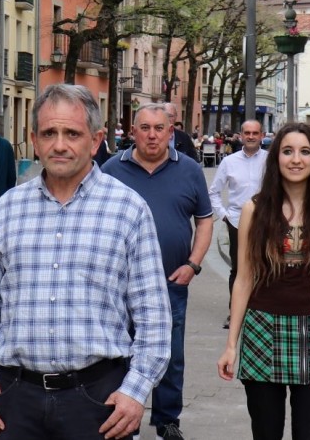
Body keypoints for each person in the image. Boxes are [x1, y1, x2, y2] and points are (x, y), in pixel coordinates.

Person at [0, 84, 172, 440]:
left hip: (98, 398)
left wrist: (135, 391)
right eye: (49, 133)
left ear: (95, 140)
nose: (59, 144)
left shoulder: (128, 209)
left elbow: (154, 317)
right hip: (13, 397)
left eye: (72, 133)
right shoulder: (10, 208)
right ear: (34, 139)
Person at [217, 122, 310, 440]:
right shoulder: (254, 209)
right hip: (261, 329)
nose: (296, 159)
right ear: (276, 158)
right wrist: (230, 345)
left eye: (305, 151)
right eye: (288, 151)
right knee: (265, 432)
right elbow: (244, 278)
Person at [102, 103, 213, 439]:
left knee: (170, 355)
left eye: (159, 128)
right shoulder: (110, 170)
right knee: (119, 353)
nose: (152, 135)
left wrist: (193, 264)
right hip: (119, 285)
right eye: (145, 128)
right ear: (132, 131)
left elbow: (205, 220)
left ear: (171, 131)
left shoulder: (190, 170)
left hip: (171, 282)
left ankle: (167, 420)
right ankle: (122, 417)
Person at [209, 119, 267, 330]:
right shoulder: (229, 162)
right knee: (238, 268)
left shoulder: (271, 160)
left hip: (265, 222)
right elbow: (214, 191)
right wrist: (223, 215)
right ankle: (235, 312)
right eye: (247, 133)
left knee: (265, 267)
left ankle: (260, 312)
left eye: (255, 133)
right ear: (240, 135)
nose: (251, 136)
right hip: (236, 221)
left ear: (262, 135)